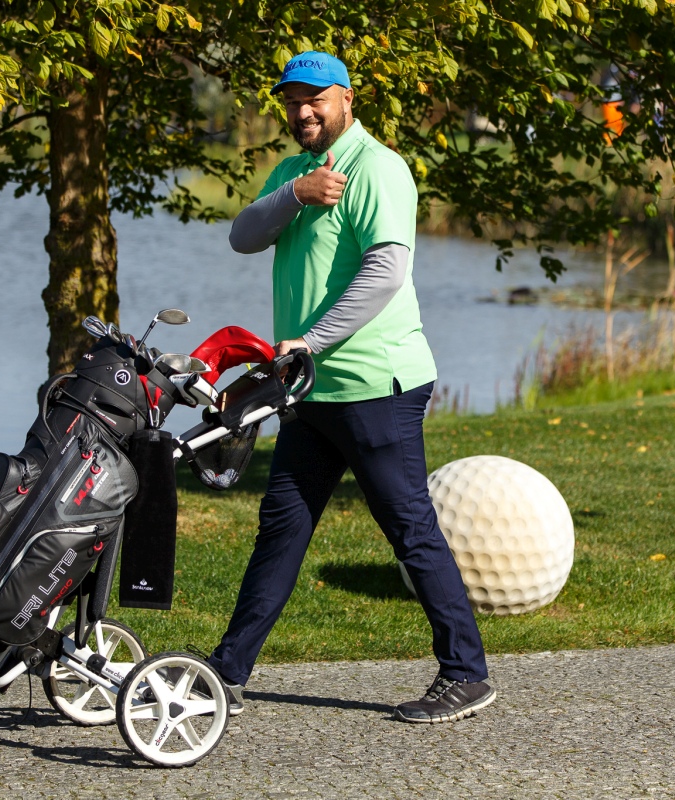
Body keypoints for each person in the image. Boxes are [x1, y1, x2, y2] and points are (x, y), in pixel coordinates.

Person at [207, 50, 495, 723]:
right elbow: (242, 236)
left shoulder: (379, 168)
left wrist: (311, 339)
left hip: (375, 385)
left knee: (408, 528)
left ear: (346, 98)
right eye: (292, 100)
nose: (302, 111)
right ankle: (226, 672)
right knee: (281, 529)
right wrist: (295, 195)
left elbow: (385, 272)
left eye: (316, 98)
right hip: (311, 391)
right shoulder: (293, 172)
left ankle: (466, 673)